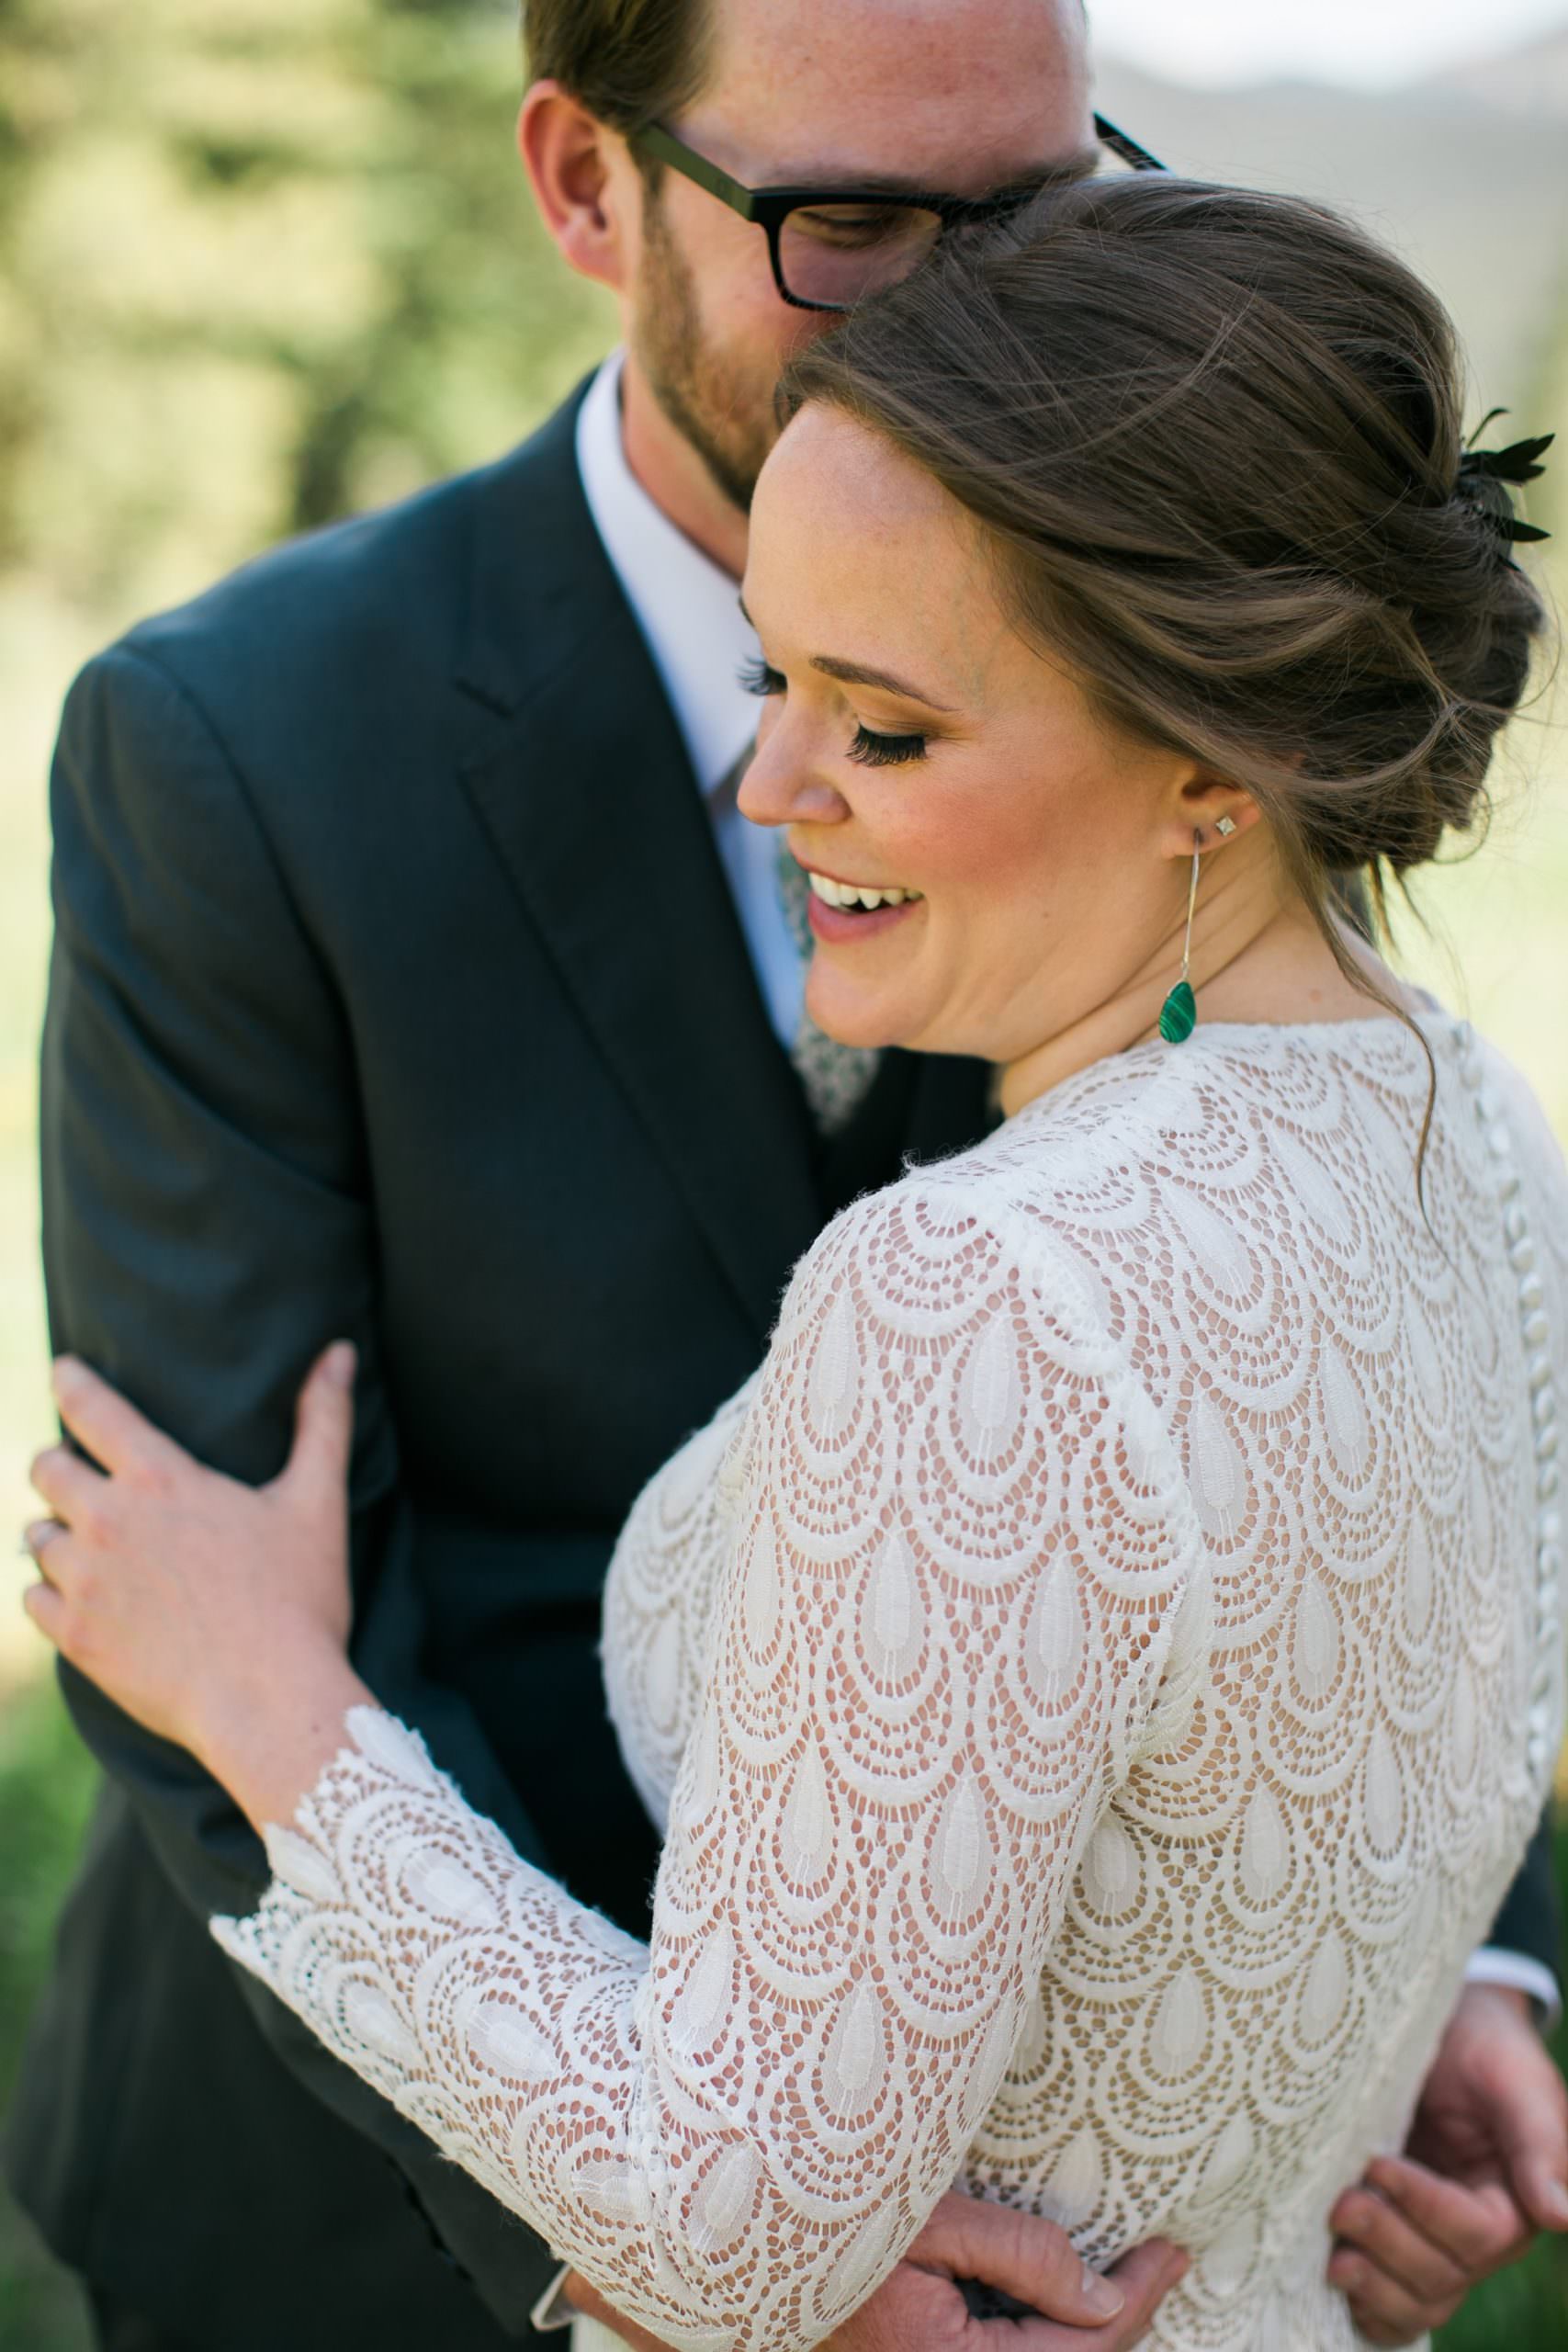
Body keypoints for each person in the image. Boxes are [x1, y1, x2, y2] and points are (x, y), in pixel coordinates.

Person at [5, 1, 1561, 2346]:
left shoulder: (1209, 800)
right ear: (579, 183)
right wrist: (714, 2251)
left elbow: (1380, 1576)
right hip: (355, 2223)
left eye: (1038, 212)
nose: (966, 307)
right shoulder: (234, 743)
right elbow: (222, 1546)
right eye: (847, 224)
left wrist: (1416, 1968)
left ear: (1212, 749)